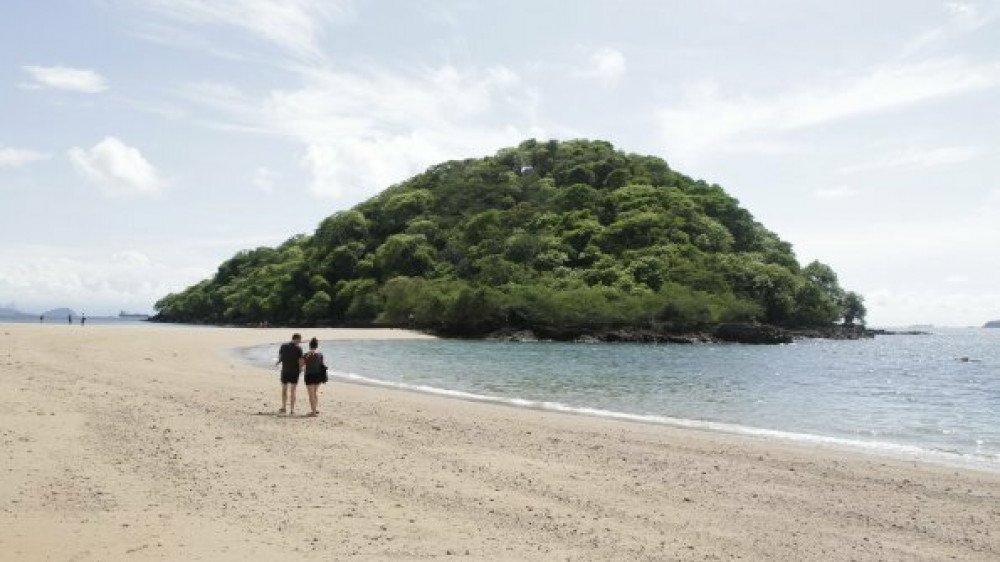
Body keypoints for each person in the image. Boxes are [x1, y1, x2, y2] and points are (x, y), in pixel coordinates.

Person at [275, 333, 304, 415]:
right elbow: (301, 361)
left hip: (285, 371)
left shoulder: (283, 346)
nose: (300, 341)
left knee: (284, 390)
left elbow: (280, 357)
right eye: (300, 339)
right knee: (293, 391)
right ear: (296, 339)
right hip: (294, 372)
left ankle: (284, 407)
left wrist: (278, 362)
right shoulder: (298, 348)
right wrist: (301, 369)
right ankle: (292, 410)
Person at [302, 337, 328, 417]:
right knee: (315, 393)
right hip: (318, 376)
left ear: (309, 346)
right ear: (317, 346)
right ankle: (315, 409)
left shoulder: (306, 355)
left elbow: (302, 365)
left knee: (311, 395)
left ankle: (313, 412)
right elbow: (321, 364)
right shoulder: (320, 354)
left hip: (309, 376)